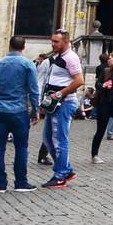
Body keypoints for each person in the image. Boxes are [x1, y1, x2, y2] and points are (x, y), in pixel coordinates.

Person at [0, 35, 39, 192]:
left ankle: (0, 184)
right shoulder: (27, 64)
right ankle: (21, 182)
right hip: (19, 111)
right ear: (23, 48)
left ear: (9, 46)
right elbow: (33, 91)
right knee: (21, 147)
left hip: (0, 111)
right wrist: (35, 110)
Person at [39, 29, 84, 189]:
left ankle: (60, 176)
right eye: (52, 41)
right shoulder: (57, 57)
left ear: (65, 42)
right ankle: (67, 170)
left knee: (59, 139)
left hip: (64, 103)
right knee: (48, 138)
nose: (53, 44)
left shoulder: (71, 58)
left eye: (56, 41)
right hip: (54, 103)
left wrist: (60, 93)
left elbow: (79, 80)